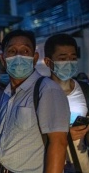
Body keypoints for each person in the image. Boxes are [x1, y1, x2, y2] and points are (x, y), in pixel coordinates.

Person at [0, 30, 70, 173]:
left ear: (34, 58)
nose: (19, 56)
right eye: (12, 51)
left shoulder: (47, 90)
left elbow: (58, 143)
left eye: (25, 51)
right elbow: (1, 141)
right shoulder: (7, 94)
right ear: (3, 60)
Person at [43, 33, 89, 172]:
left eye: (73, 58)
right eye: (63, 59)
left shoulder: (85, 90)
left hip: (81, 164)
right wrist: (65, 135)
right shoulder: (39, 92)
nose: (69, 62)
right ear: (48, 62)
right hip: (50, 165)